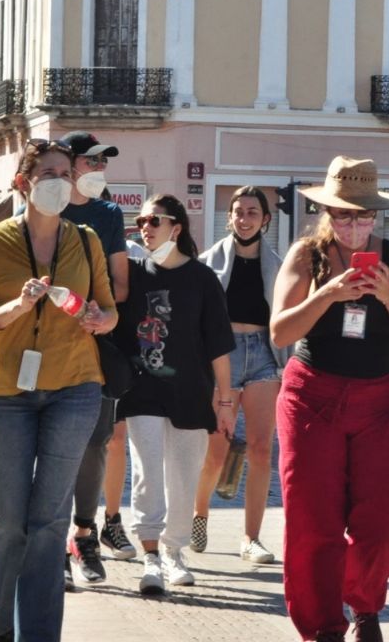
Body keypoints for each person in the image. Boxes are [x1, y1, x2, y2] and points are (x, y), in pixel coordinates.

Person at [0, 138, 117, 642]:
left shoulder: (87, 240)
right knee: (7, 519)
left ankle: (39, 634)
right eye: (49, 173)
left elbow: (111, 311)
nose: (60, 182)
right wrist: (14, 310)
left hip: (75, 387)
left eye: (66, 174)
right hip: (8, 393)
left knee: (49, 520)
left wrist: (99, 319)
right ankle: (1, 625)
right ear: (23, 183)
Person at [270, 156, 389, 642]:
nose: (354, 226)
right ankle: (322, 625)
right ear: (327, 212)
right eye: (344, 216)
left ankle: (365, 607)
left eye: (363, 216)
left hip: (379, 402)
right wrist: (328, 294)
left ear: (376, 215)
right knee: (312, 521)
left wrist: (387, 295)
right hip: (311, 396)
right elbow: (280, 332)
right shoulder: (307, 255)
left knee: (378, 520)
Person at [112, 194, 235, 596]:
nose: (144, 228)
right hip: (142, 390)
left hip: (190, 392)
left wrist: (226, 401)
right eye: (140, 221)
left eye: (154, 220)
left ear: (176, 227)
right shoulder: (132, 273)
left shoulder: (202, 278)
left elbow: (219, 344)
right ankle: (150, 555)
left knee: (183, 477)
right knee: (147, 472)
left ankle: (173, 551)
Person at [55, 130, 137, 587]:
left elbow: (121, 286)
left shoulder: (108, 213)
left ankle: (84, 536)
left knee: (95, 442)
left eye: (104, 161)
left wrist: (99, 311)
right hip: (47, 344)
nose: (101, 168)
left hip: (96, 341)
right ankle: (52, 544)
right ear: (69, 166)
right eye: (93, 160)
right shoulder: (46, 209)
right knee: (52, 445)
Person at [193, 186, 290, 564]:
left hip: (265, 354)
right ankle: (200, 515)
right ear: (229, 217)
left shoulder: (278, 266)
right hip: (224, 356)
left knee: (261, 449)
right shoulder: (208, 263)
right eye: (238, 212)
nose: (244, 219)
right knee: (217, 450)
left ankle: (251, 538)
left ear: (265, 219)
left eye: (252, 212)